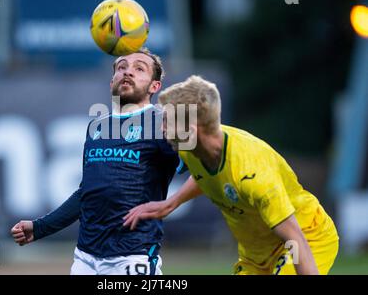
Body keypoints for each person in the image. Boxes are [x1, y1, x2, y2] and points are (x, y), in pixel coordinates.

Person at [123, 75, 339, 275]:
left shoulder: (252, 174)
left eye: (167, 121)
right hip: (256, 256)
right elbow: (207, 175)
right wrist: (171, 203)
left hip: (306, 237)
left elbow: (295, 238)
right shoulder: (192, 148)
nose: (162, 129)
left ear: (190, 128)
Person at [11, 48, 180, 275]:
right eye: (122, 67)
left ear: (154, 86)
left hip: (132, 256)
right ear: (112, 82)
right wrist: (39, 228)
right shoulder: (97, 127)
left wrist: (173, 202)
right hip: (85, 259)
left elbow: (201, 169)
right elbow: (86, 193)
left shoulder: (163, 122)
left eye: (139, 68)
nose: (128, 72)